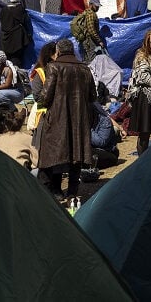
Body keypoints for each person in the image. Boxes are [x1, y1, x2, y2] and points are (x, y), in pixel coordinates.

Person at [36, 39, 96, 204]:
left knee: (49, 156)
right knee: (75, 157)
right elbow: (93, 96)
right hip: (80, 119)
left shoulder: (53, 67)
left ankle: (46, 192)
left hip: (57, 118)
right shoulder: (85, 69)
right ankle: (71, 193)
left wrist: (41, 100)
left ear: (58, 51)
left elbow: (45, 97)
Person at [128, 29, 151, 156]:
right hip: (146, 98)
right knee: (145, 133)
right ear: (147, 42)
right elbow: (143, 76)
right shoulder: (141, 55)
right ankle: (142, 162)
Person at [0, 0, 31, 70]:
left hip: (5, 38)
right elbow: (25, 21)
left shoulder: (4, 9)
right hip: (17, 39)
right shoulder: (20, 9)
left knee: (6, 59)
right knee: (17, 59)